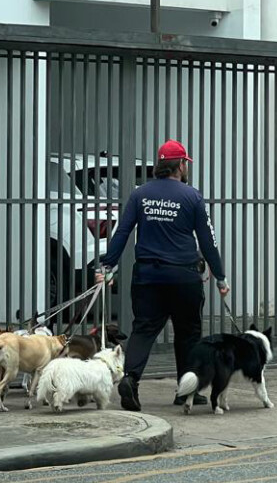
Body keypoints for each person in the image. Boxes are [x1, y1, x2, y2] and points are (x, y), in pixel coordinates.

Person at [96, 139, 229, 412]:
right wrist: (220, 277)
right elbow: (207, 241)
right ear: (180, 165)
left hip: (148, 275)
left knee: (144, 329)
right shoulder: (192, 196)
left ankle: (130, 379)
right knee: (188, 333)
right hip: (184, 276)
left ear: (160, 165)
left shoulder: (139, 195)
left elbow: (122, 232)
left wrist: (107, 265)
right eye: (185, 163)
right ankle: (185, 391)